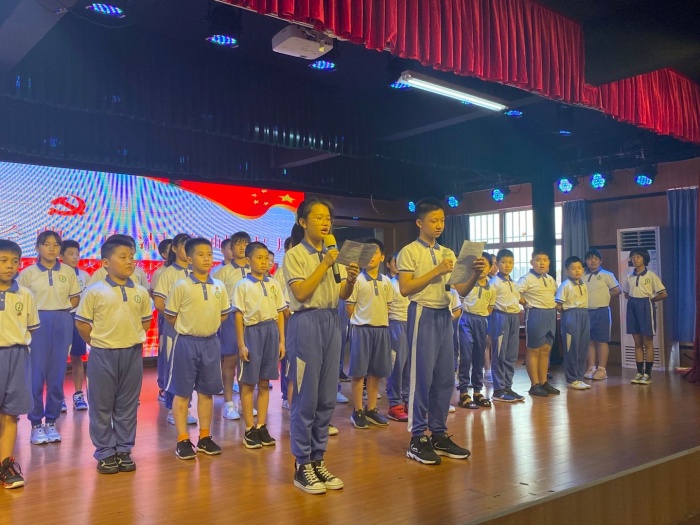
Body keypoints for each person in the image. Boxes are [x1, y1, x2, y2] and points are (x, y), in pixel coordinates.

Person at [397, 197, 483, 465]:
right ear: (419, 222)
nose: (439, 225)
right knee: (421, 378)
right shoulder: (409, 251)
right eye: (433, 220)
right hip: (422, 312)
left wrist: (475, 275)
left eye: (442, 220)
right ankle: (417, 438)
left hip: (444, 315)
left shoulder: (448, 252)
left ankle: (438, 433)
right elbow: (405, 289)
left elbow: (461, 290)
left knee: (445, 377)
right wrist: (436, 271)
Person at [283, 197, 359, 494]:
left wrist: (349, 280)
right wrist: (325, 263)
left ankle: (318, 459)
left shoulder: (332, 255)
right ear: (303, 222)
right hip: (306, 322)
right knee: (306, 397)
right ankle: (302, 463)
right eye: (318, 217)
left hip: (331, 320)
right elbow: (301, 293)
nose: (325, 223)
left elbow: (342, 294)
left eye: (328, 218)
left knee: (327, 397)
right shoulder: (295, 255)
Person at [75, 237, 152, 474]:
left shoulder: (140, 291)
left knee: (127, 405)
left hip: (132, 354)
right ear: (106, 263)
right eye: (123, 257)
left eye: (131, 257)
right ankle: (105, 452)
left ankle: (123, 449)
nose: (129, 262)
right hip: (103, 355)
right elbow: (82, 324)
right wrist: (98, 343)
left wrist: (130, 338)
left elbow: (146, 321)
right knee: (101, 405)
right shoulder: (95, 291)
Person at [164, 238, 231, 460]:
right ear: (190, 258)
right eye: (201, 255)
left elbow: (223, 314)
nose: (206, 259)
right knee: (182, 392)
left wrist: (206, 328)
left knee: (206, 392)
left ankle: (204, 437)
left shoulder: (219, 286)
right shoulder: (181, 285)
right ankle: (182, 439)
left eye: (209, 254)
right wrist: (189, 329)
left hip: (211, 343)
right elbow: (170, 316)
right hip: (186, 343)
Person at [19, 231, 81, 445]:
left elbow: (75, 298)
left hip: (62, 321)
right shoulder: (27, 273)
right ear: (37, 247)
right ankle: (36, 423)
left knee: (57, 374)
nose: (52, 248)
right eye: (47, 244)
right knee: (36, 375)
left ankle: (52, 421)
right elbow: (21, 302)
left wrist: (60, 310)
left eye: (56, 244)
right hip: (37, 323)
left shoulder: (68, 272)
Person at [232, 242, 287, 448]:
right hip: (252, 332)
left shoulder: (274, 284)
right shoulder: (243, 285)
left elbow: (280, 312)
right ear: (248, 260)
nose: (264, 262)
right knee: (249, 383)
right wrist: (241, 344)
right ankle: (249, 428)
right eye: (259, 258)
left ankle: (262, 425)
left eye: (267, 258)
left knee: (265, 382)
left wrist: (281, 340)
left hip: (271, 332)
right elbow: (238, 315)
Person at [0, 240, 40, 489]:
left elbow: (30, 328)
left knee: (11, 412)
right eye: (3, 260)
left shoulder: (25, 294)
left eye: (15, 261)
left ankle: (5, 465)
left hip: (17, 356)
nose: (10, 266)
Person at [346, 239, 393, 429]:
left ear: (382, 257)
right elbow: (349, 307)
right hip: (361, 330)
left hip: (381, 330)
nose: (371, 257)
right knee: (359, 372)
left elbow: (388, 306)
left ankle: (372, 409)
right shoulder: (357, 280)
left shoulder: (387, 281)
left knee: (376, 372)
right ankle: (357, 410)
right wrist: (361, 321)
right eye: (367, 253)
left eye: (375, 253)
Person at [153, 233, 197, 425]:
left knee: (189, 369)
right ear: (174, 248)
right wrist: (177, 319)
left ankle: (186, 408)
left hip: (194, 329)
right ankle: (173, 409)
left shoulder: (197, 272)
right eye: (184, 246)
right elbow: (159, 303)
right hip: (173, 327)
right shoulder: (168, 273)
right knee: (173, 368)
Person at [216, 231, 251, 421]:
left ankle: (245, 403)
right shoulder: (223, 272)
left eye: (245, 243)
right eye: (238, 244)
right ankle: (228, 403)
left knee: (247, 361)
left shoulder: (255, 268)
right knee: (230, 360)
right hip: (230, 316)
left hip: (251, 319)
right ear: (230, 248)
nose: (242, 247)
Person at [621, 247, 667, 385]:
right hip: (632, 306)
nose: (635, 259)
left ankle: (648, 374)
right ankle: (639, 373)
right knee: (637, 342)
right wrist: (635, 301)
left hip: (646, 306)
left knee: (648, 342)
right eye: (633, 257)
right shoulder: (628, 276)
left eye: (638, 256)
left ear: (644, 258)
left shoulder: (651, 276)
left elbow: (663, 293)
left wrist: (649, 301)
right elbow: (626, 294)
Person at [517, 250, 560, 397]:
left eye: (545, 260)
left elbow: (555, 295)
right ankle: (534, 384)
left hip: (550, 314)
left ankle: (543, 382)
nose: (542, 263)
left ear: (549, 262)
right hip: (535, 314)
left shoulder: (550, 279)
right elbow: (515, 293)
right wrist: (525, 302)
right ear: (531, 262)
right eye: (538, 260)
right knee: (534, 350)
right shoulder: (526, 279)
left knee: (546, 349)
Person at [456, 252, 494, 409]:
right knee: (466, 357)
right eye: (479, 264)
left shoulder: (492, 287)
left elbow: (490, 308)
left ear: (490, 268)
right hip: (466, 319)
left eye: (485, 265)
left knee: (479, 356)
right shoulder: (467, 282)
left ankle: (478, 391)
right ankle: (464, 392)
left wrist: (481, 317)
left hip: (481, 321)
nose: (481, 268)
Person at [488, 249, 524, 403]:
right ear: (497, 264)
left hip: (514, 318)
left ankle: (508, 386)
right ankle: (498, 390)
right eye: (503, 262)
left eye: (510, 262)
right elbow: (489, 305)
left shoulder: (514, 283)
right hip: (500, 317)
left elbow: (518, 300)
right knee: (499, 354)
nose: (507, 265)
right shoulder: (493, 282)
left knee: (511, 355)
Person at [60, 240, 91, 411]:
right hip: (60, 317)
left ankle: (78, 394)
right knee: (58, 360)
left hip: (77, 318)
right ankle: (58, 396)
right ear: (61, 255)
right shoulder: (56, 274)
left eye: (77, 254)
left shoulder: (84, 276)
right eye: (70, 254)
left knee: (77, 358)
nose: (74, 257)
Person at [583, 250, 621, 381]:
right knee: (589, 341)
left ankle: (602, 369)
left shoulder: (607, 275)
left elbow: (617, 290)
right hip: (586, 311)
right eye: (590, 258)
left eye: (595, 258)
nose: (592, 261)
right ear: (586, 261)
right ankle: (591, 367)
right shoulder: (582, 275)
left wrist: (604, 296)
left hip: (602, 311)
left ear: (600, 261)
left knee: (602, 341)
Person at [555, 256, 591, 390]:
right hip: (570, 315)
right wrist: (567, 314)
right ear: (567, 271)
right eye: (573, 268)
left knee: (582, 347)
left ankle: (579, 377)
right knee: (572, 348)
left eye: (579, 268)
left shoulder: (583, 284)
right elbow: (558, 304)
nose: (577, 271)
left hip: (584, 314)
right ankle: (571, 379)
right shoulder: (565, 285)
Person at [386, 252, 410, 422]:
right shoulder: (390, 284)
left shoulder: (412, 283)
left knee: (410, 366)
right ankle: (394, 403)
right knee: (397, 365)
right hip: (395, 324)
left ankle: (408, 400)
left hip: (411, 324)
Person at [150, 238, 172, 401]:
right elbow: (154, 295)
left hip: (186, 320)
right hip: (166, 318)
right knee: (165, 351)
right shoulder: (160, 273)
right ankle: (163, 387)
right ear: (164, 254)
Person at [483, 255, 498, 384]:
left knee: (493, 343)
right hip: (485, 314)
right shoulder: (485, 281)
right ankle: (487, 371)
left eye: (496, 263)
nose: (494, 266)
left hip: (496, 315)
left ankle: (493, 370)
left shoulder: (498, 280)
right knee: (486, 343)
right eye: (492, 264)